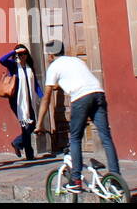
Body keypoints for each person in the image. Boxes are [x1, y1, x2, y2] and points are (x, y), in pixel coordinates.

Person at [34, 39, 120, 192]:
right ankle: (116, 180)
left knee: (75, 138)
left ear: (50, 55)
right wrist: (58, 84)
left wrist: (39, 124)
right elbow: (75, 79)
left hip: (81, 98)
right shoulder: (76, 61)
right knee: (106, 137)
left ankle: (75, 180)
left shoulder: (53, 67)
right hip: (98, 93)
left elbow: (46, 98)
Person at [0, 44, 42, 160]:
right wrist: (14, 52)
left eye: (24, 53)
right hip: (17, 101)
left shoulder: (29, 66)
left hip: (30, 100)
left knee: (31, 124)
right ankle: (29, 153)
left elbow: (35, 83)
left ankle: (18, 143)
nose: (23, 56)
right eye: (20, 54)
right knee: (25, 126)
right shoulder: (13, 66)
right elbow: (1, 60)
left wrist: (41, 95)